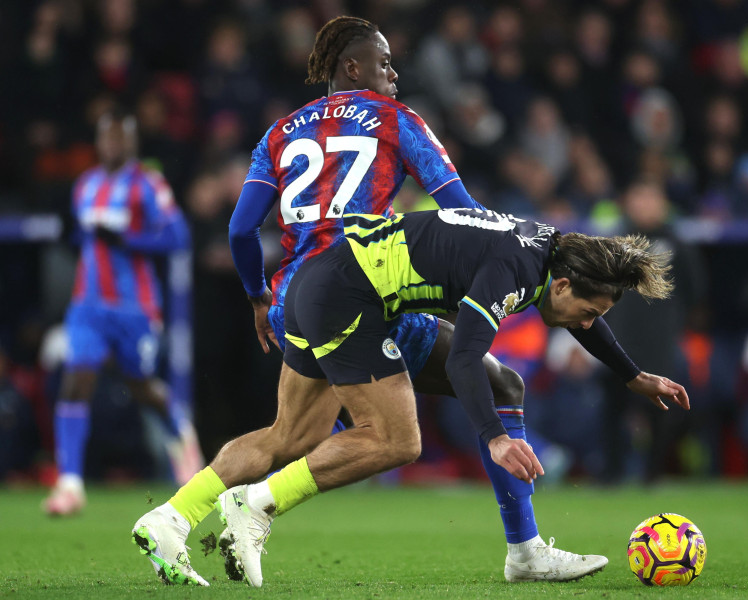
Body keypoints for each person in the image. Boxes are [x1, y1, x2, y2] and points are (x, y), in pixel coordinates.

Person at [132, 208, 690, 587]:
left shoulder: (549, 250)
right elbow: (467, 357)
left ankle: (172, 518)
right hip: (351, 302)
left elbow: (562, 324)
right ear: (564, 287)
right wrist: (494, 438)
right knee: (398, 441)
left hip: (319, 287)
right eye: (588, 313)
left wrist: (632, 375)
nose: (586, 324)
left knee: (291, 437)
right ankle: (256, 504)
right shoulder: (515, 272)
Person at [222, 15, 589, 583]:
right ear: (352, 68)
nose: (393, 72)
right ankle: (525, 549)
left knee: (289, 435)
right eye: (384, 62)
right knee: (413, 429)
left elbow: (242, 231)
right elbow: (459, 209)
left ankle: (176, 515)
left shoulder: (281, 131)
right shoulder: (395, 120)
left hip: (294, 294)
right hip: (369, 289)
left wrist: (254, 298)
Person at [43, 110, 203, 516]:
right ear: (99, 142)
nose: (113, 145)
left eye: (121, 138)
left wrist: (128, 238)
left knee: (142, 386)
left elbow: (178, 235)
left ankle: (183, 440)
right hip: (88, 304)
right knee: (77, 377)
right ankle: (70, 485)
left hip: (135, 309)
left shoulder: (147, 184)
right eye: (107, 138)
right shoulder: (86, 184)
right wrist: (72, 236)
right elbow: (84, 238)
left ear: (132, 143)